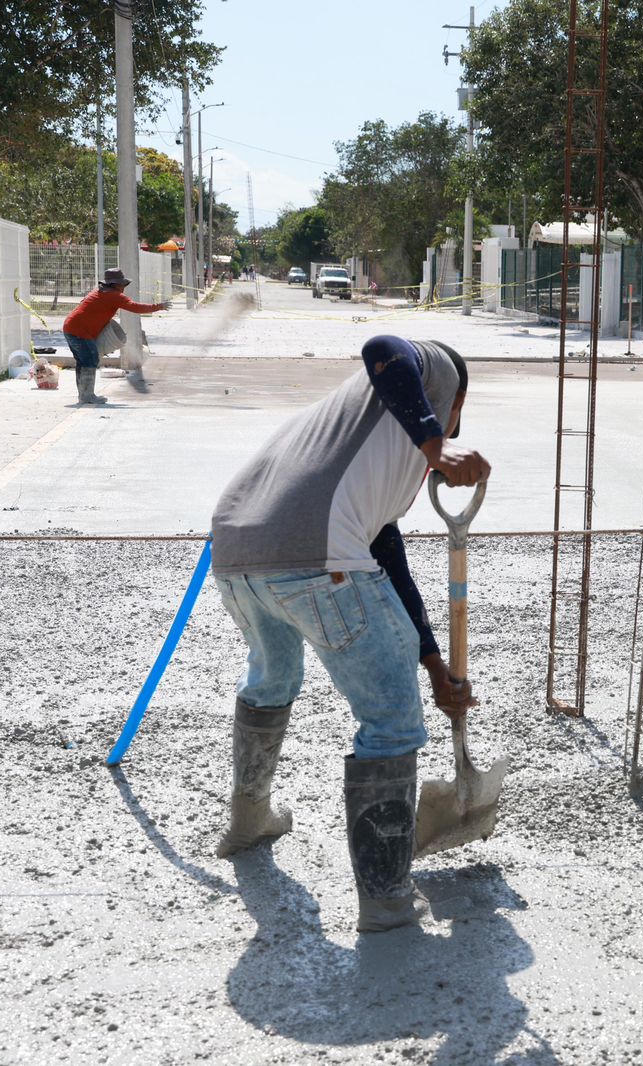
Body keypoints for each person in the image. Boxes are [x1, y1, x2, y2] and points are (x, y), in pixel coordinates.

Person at [208, 335, 489, 934]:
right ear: (455, 398)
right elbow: (384, 345)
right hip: (315, 555)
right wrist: (438, 445)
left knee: (272, 677)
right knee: (390, 720)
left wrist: (435, 665)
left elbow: (386, 556)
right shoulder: (433, 377)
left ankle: (249, 817)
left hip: (237, 553)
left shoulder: (349, 439)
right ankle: (385, 900)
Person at [61, 268, 170, 405]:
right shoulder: (114, 295)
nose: (123, 287)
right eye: (122, 284)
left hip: (70, 327)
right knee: (90, 360)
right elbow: (135, 307)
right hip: (80, 331)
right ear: (115, 284)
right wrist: (158, 306)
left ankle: (84, 395)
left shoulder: (98, 292)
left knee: (83, 362)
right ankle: (87, 396)